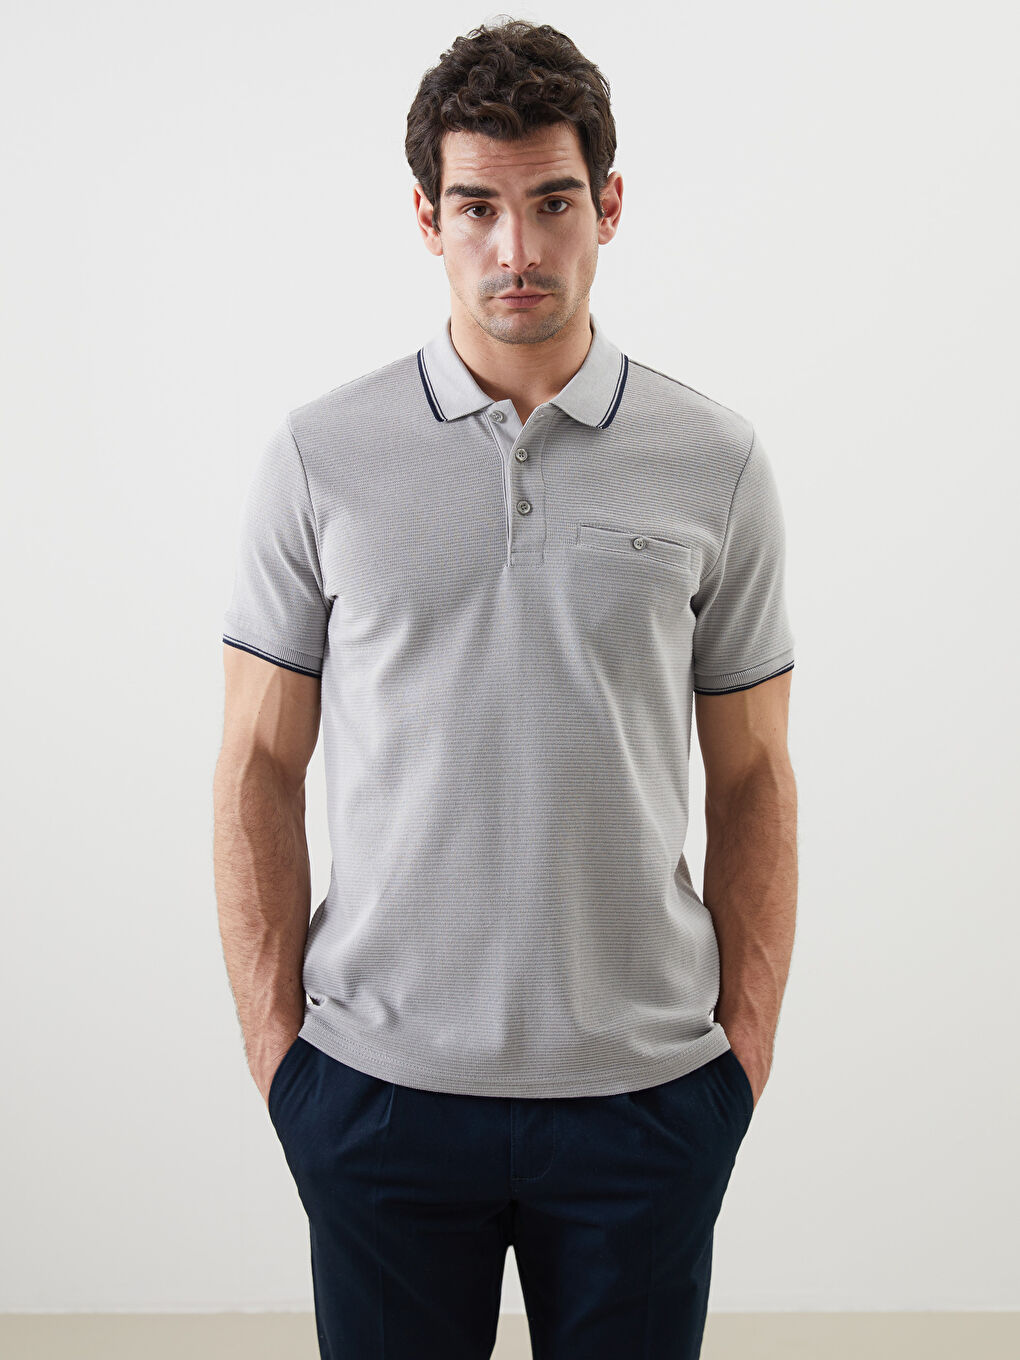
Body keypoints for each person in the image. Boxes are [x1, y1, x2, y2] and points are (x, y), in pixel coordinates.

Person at [213, 17, 798, 1359]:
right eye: (478, 207)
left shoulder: (714, 460)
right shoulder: (319, 457)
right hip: (377, 1092)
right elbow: (256, 762)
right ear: (428, 218)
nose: (517, 248)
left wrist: (743, 1056)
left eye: (553, 203)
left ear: (610, 205)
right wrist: (281, 1060)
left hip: (647, 1096)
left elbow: (756, 772)